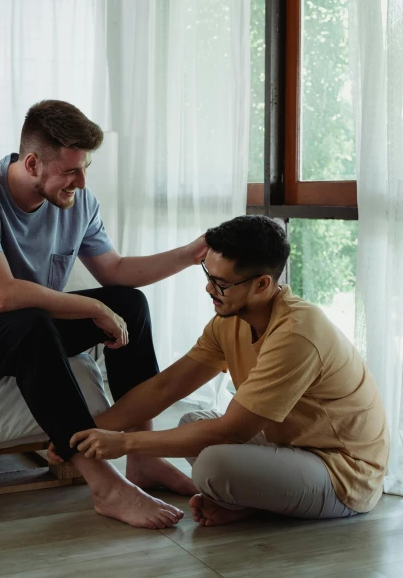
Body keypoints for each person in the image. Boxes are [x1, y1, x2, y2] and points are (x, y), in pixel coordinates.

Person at [0, 99, 208, 530]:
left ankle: (145, 458)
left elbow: (115, 271)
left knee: (128, 303)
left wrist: (190, 254)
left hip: (6, 329)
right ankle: (105, 487)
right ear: (32, 163)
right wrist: (94, 307)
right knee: (32, 324)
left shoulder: (79, 201)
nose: (80, 181)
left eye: (85, 168)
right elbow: (2, 296)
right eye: (70, 171)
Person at [56, 215, 390, 527]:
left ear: (262, 284)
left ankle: (253, 501)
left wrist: (125, 443)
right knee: (193, 423)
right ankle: (251, 502)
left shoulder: (297, 334)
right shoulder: (228, 323)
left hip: (342, 473)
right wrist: (82, 435)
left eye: (221, 283)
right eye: (207, 275)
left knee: (213, 465)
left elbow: (231, 432)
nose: (209, 289)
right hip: (290, 447)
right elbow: (166, 387)